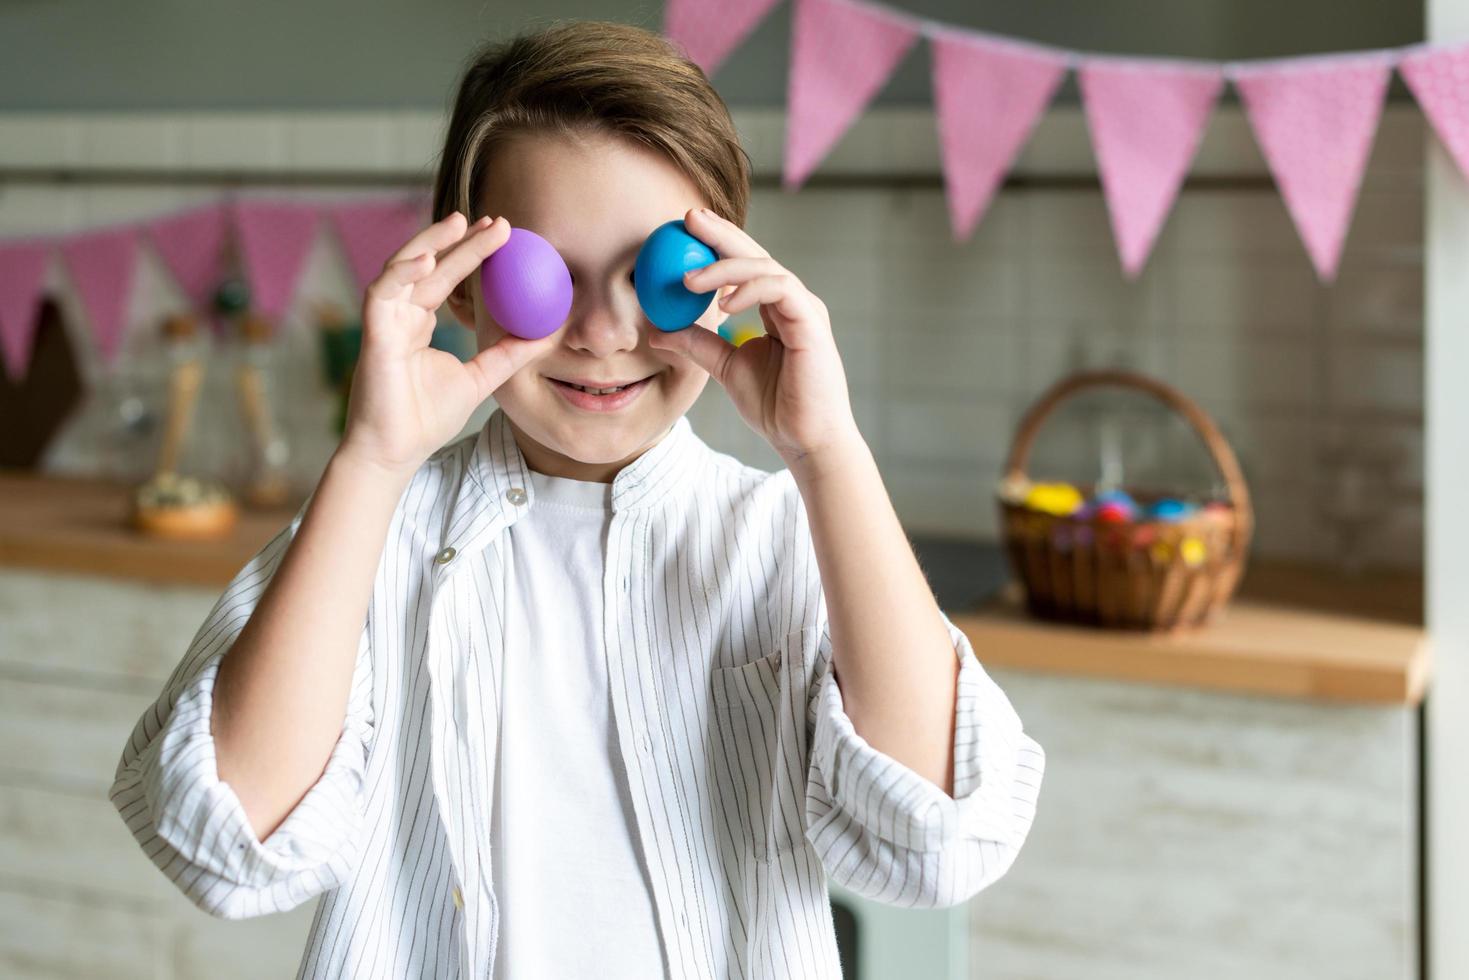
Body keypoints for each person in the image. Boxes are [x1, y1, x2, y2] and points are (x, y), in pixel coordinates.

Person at [110, 19, 1044, 979]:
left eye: (655, 279)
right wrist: (372, 461)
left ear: (725, 286)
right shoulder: (370, 535)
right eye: (545, 279)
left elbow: (938, 844)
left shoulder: (781, 536)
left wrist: (827, 452)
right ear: (460, 291)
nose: (602, 334)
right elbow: (220, 851)